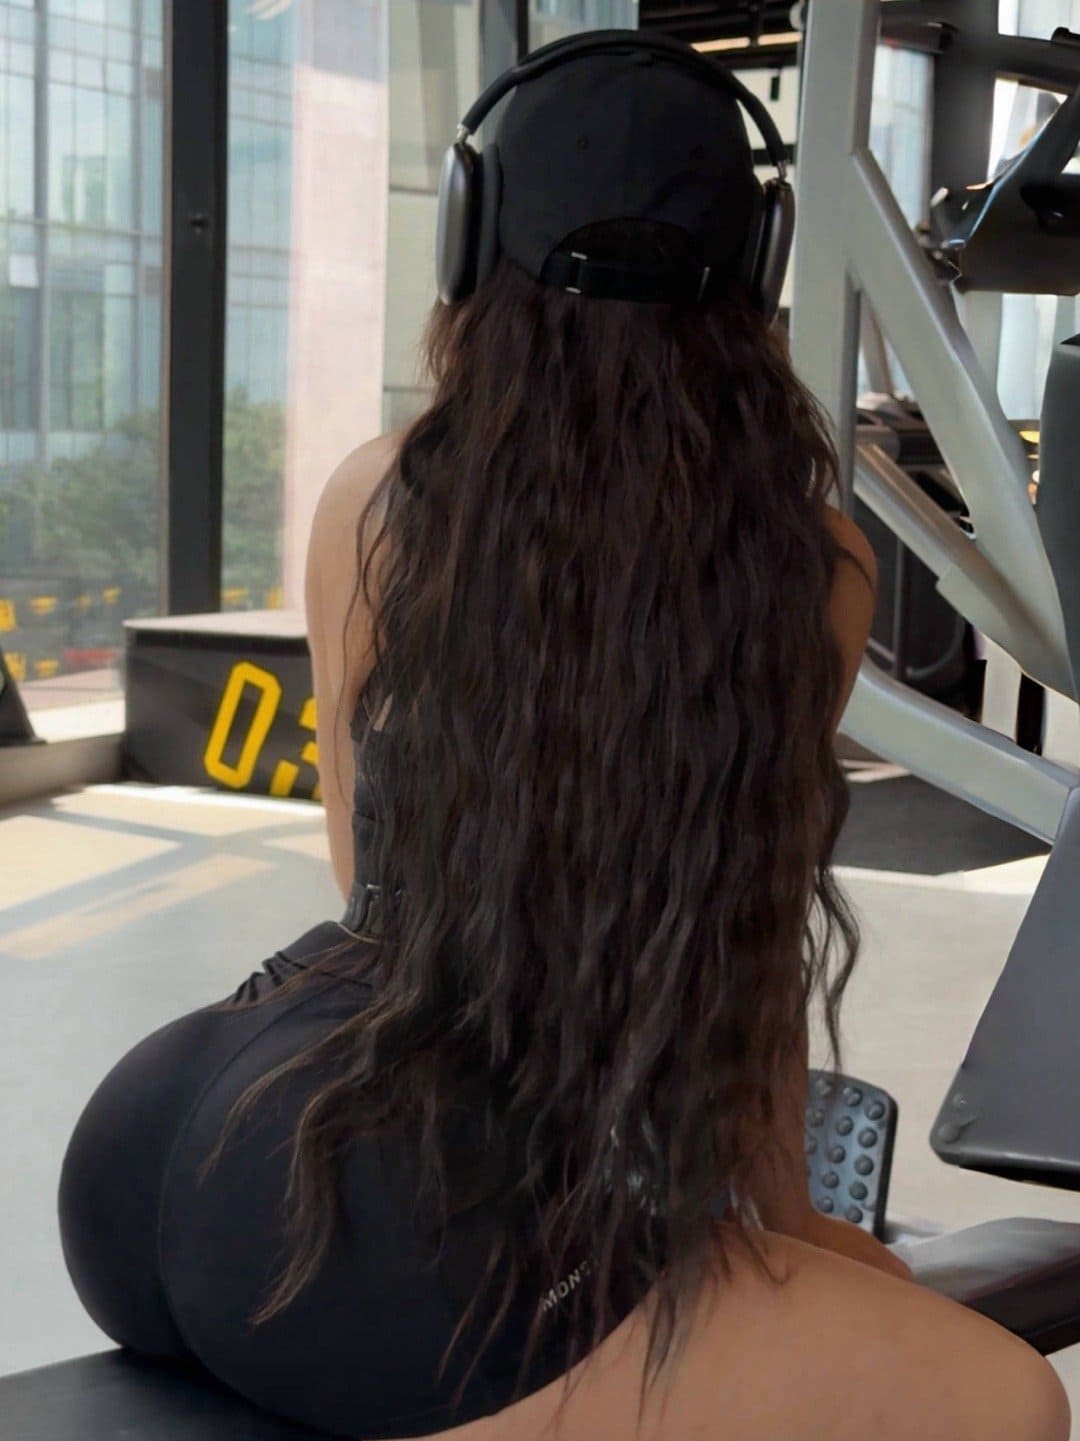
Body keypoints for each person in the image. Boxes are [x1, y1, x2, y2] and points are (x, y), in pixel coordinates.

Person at [57, 30, 1069, 1441]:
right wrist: (785, 1241)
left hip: (158, 1136)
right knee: (1004, 1397)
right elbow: (739, 958)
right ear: (760, 261)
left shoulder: (374, 496)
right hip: (382, 1232)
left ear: (468, 238)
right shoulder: (808, 564)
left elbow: (373, 890)